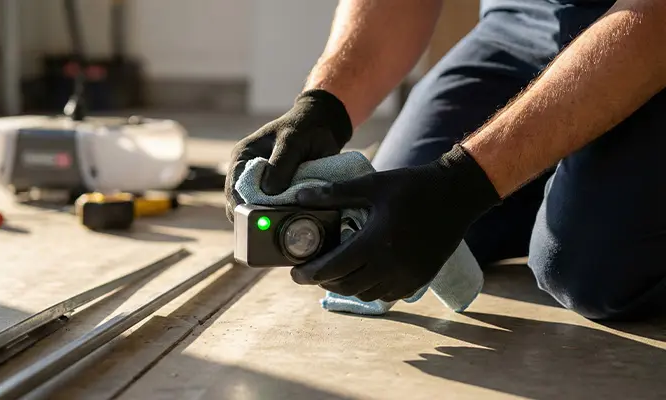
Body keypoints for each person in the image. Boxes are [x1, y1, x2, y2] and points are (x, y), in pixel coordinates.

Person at [225, 0, 666, 321]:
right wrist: (324, 106)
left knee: (592, 271)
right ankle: (556, 176)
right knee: (382, 219)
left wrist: (462, 185)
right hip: (521, 18)